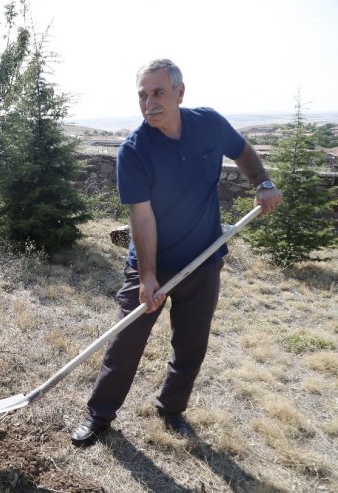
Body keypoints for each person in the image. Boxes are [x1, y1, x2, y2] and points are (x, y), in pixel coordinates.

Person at [70, 59, 283, 445]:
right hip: (153, 262)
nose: (149, 103)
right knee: (125, 342)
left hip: (204, 259)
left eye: (158, 93)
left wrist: (263, 181)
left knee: (191, 345)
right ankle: (98, 416)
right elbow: (142, 217)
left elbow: (243, 151)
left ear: (180, 93)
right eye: (142, 95)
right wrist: (149, 276)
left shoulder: (210, 125)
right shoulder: (133, 151)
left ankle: (171, 409)